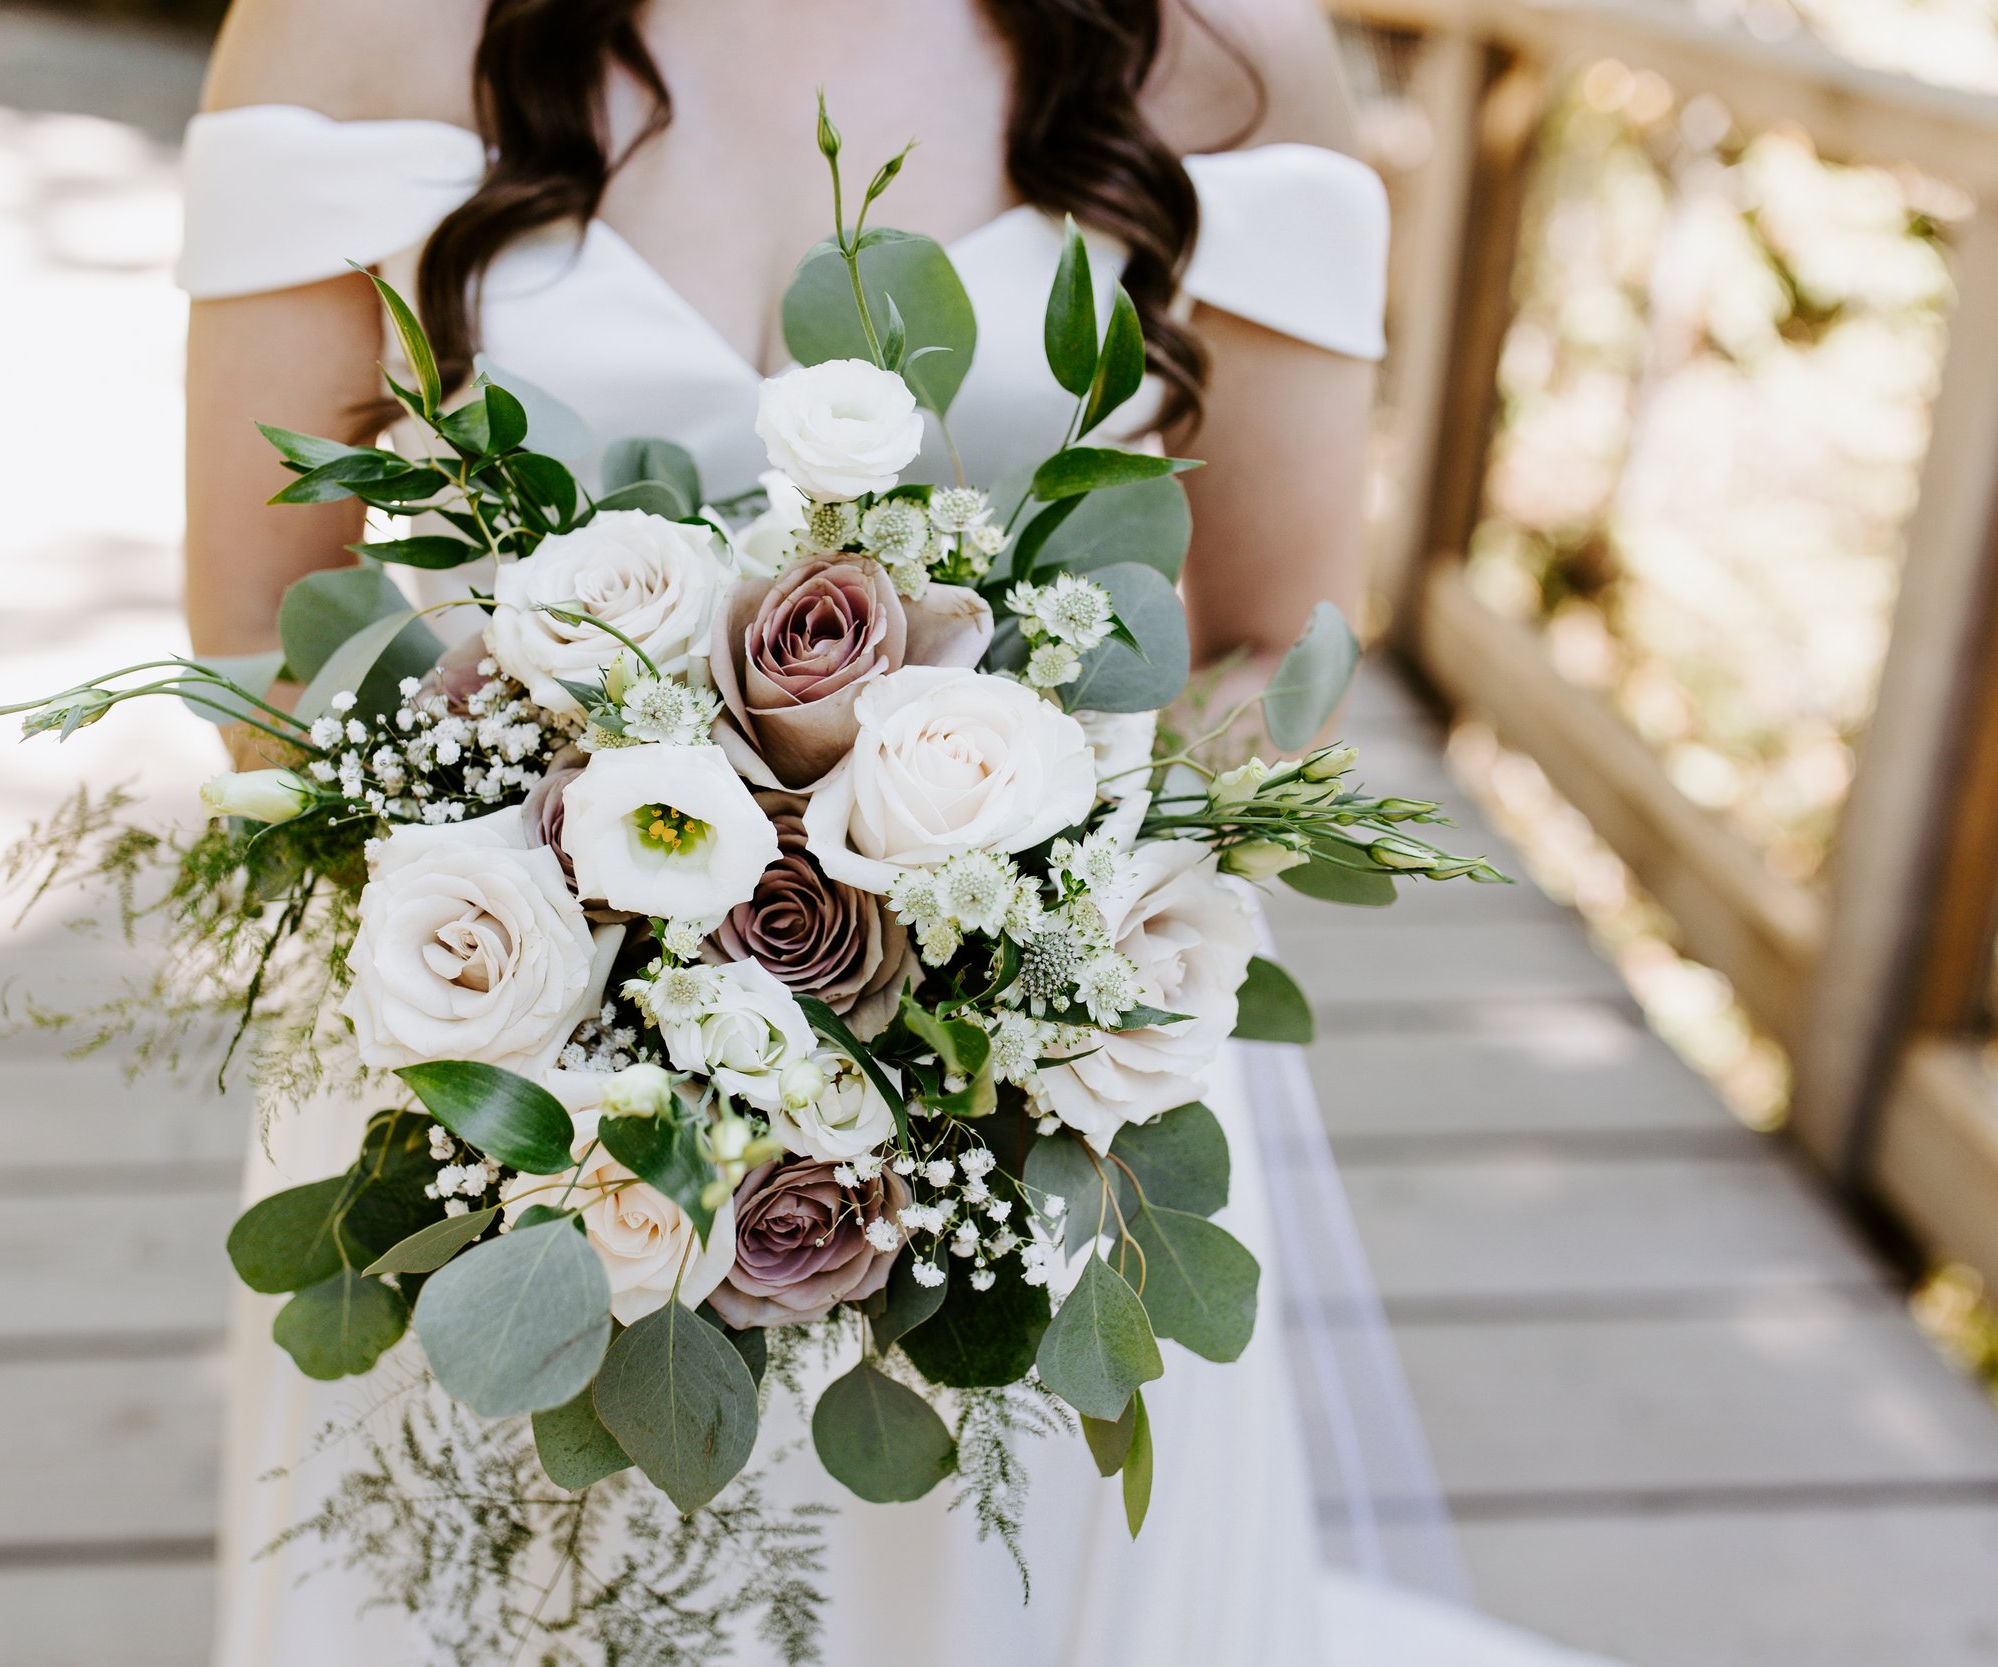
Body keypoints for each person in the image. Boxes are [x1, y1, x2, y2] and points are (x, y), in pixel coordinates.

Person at [177, 2, 1620, 1662]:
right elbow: (251, 648)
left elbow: (1268, 656)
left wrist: (1002, 940)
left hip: (1036, 1110)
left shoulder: (1221, 44)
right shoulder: (351, 27)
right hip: (486, 1063)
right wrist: (592, 950)